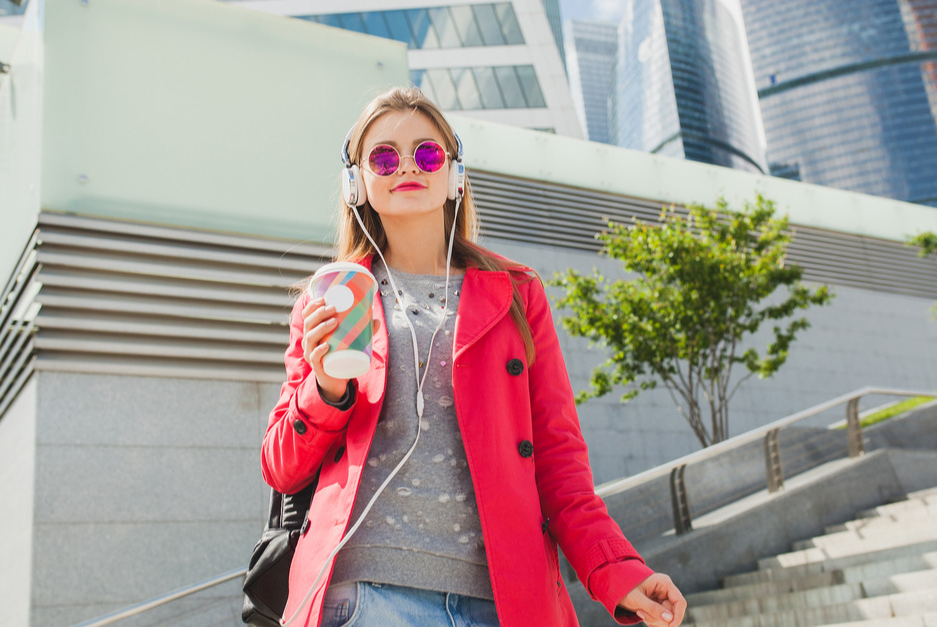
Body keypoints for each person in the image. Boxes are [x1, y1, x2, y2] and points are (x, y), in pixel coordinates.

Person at [262, 86, 687, 627]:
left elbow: (559, 464)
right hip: (367, 598)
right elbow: (281, 467)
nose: (407, 167)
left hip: (504, 602)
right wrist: (324, 391)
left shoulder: (516, 293)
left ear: (453, 173)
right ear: (357, 183)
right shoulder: (332, 298)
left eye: (428, 153)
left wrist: (618, 571)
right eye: (384, 157)